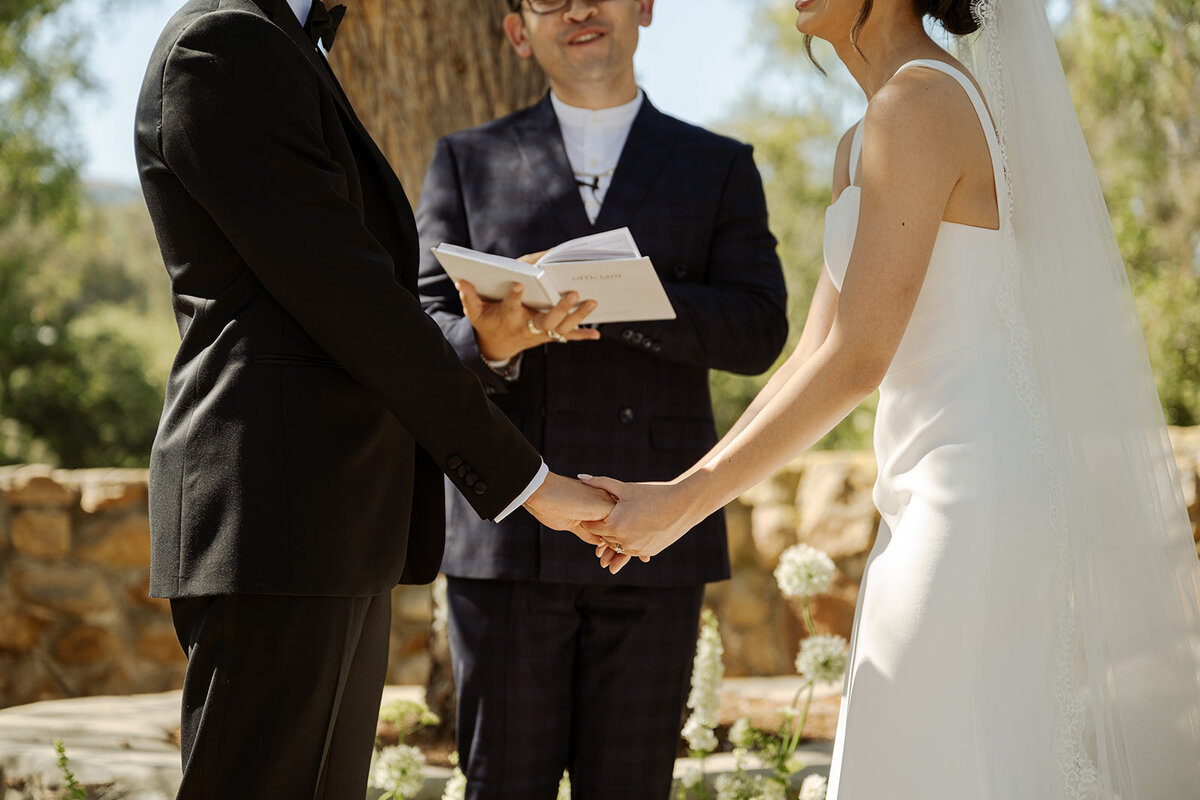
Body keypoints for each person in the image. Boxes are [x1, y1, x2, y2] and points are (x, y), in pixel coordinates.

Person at [583, 0, 1200, 796]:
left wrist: (683, 503)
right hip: (919, 492)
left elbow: (858, 361)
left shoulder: (922, 104)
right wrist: (672, 494)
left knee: (927, 753)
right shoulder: (861, 140)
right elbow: (811, 357)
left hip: (971, 499)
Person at [134, 0, 614, 796]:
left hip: (329, 520)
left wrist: (486, 339)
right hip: (275, 515)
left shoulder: (282, 45)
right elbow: (352, 300)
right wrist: (528, 482)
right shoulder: (222, 44)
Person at [415, 0, 787, 796]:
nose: (580, 7)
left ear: (645, 7)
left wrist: (623, 299)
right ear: (519, 30)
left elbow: (761, 331)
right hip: (507, 535)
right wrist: (494, 343)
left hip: (657, 535)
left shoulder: (718, 164)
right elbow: (419, 329)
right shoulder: (464, 160)